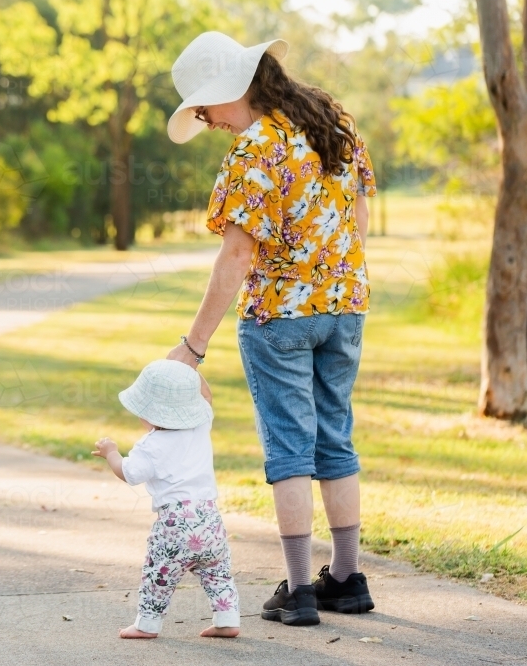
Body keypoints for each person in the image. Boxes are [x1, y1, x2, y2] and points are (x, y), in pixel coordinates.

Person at [163, 32, 377, 627]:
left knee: (290, 450)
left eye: (205, 108)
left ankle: (301, 589)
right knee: (335, 438)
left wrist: (192, 347)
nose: (206, 121)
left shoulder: (255, 150)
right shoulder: (333, 122)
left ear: (233, 90)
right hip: (345, 308)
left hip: (278, 316)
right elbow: (359, 215)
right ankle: (347, 580)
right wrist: (331, 276)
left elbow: (236, 258)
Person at [92, 359, 240, 639]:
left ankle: (146, 625)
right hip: (210, 521)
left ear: (147, 413)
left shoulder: (150, 446)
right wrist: (191, 368)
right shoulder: (200, 427)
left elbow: (128, 472)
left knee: (158, 575)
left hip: (175, 525)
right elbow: (206, 396)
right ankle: (227, 619)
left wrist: (111, 451)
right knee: (217, 572)